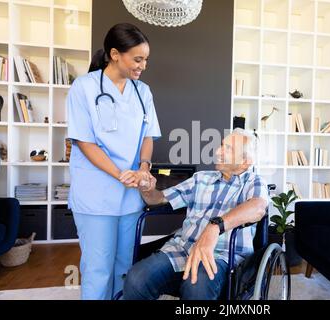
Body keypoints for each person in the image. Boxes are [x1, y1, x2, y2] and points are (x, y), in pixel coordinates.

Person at [67, 23, 161, 300]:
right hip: (96, 195)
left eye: (146, 60)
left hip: (130, 194)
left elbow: (148, 136)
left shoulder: (143, 92)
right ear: (115, 54)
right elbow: (84, 142)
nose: (143, 66)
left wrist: (143, 168)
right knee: (98, 269)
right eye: (137, 59)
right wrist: (121, 173)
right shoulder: (83, 88)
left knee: (125, 268)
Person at [123, 129, 270, 300]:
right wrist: (147, 190)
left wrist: (215, 227)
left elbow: (258, 207)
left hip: (223, 257)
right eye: (222, 145)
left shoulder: (254, 182)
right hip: (182, 249)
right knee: (136, 279)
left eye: (228, 149)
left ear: (245, 162)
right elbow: (160, 198)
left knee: (196, 287)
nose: (217, 152)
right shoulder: (201, 178)